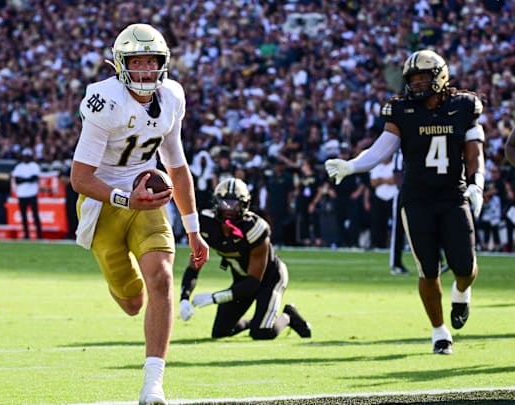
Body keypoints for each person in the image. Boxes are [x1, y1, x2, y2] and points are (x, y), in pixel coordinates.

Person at [70, 23, 209, 405]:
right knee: (132, 303)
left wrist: (193, 228)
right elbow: (80, 178)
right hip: (104, 203)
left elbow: (177, 167)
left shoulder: (172, 97)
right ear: (121, 64)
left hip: (146, 193)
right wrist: (124, 198)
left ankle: (153, 385)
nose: (147, 69)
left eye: (153, 61)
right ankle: (122, 287)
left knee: (162, 279)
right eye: (138, 61)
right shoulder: (104, 100)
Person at [325, 50, 484, 355]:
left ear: (440, 76)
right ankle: (439, 333)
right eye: (414, 78)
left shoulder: (464, 106)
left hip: (454, 195)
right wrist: (353, 165)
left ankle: (462, 292)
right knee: (428, 270)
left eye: (424, 76)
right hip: (417, 199)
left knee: (465, 267)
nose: (418, 83)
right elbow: (381, 148)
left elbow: (475, 153)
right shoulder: (401, 110)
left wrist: (477, 187)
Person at [178, 178, 312, 340]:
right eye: (224, 203)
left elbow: (253, 283)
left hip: (269, 279)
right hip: (242, 280)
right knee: (220, 331)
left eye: (234, 204)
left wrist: (215, 298)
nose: (229, 209)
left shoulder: (255, 228)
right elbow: (194, 266)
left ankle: (288, 316)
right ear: (215, 203)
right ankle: (256, 321)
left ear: (245, 205)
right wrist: (184, 298)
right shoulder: (205, 224)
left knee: (262, 332)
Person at [11, 147, 43, 239]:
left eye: (27, 156)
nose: (26, 158)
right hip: (21, 194)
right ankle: (26, 234)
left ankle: (39, 234)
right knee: (23, 215)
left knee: (35, 215)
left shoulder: (34, 166)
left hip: (32, 194)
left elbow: (34, 178)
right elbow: (17, 180)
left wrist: (24, 179)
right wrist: (28, 179)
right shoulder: (19, 167)